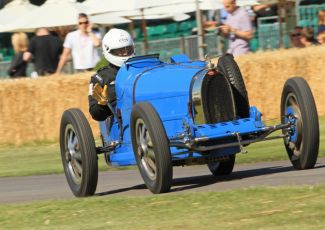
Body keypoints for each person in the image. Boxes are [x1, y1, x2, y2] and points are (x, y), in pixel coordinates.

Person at [88, 28, 135, 121]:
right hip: (120, 121)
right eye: (120, 50)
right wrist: (102, 104)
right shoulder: (100, 78)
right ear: (108, 50)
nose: (125, 53)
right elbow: (95, 114)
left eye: (128, 49)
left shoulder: (140, 68)